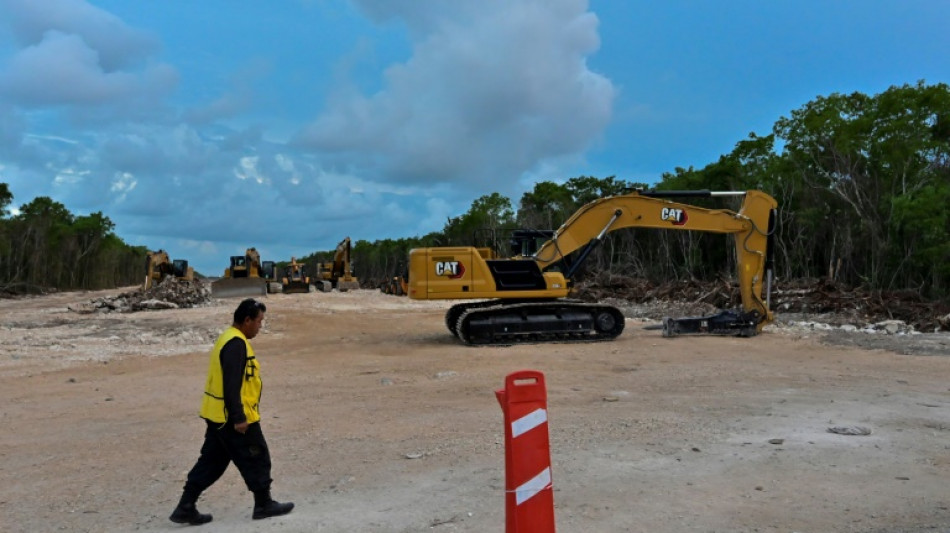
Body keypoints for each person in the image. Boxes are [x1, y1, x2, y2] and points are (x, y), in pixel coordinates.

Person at [170, 298, 294, 525]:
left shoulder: (229, 338)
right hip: (233, 418)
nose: (260, 327)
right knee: (257, 457)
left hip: (218, 416)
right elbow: (231, 383)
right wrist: (239, 417)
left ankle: (185, 506)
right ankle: (264, 504)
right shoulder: (235, 344)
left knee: (211, 462)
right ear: (247, 320)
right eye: (259, 322)